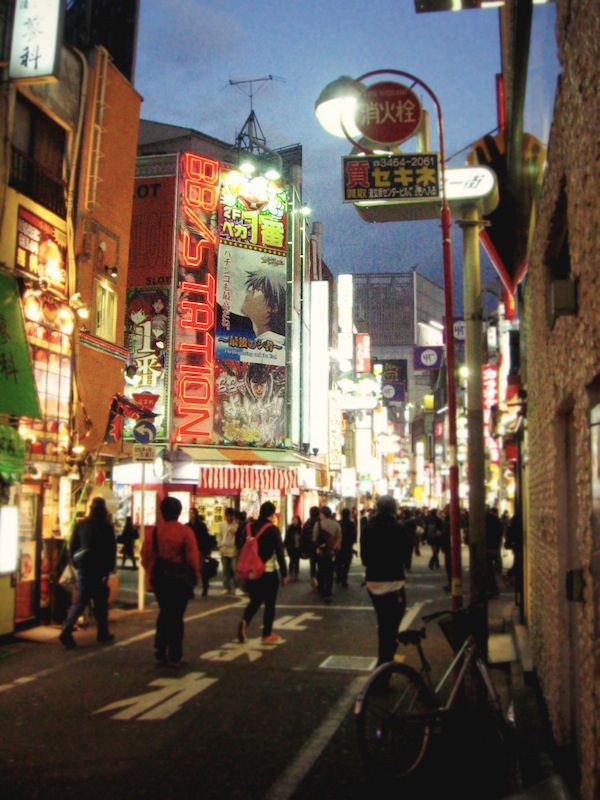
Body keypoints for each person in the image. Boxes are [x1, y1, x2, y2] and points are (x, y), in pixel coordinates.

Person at [141, 496, 200, 666]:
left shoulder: (153, 532)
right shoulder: (185, 532)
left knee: (165, 611)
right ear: (179, 512)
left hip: (161, 579)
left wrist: (150, 575)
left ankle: (160, 647)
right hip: (179, 579)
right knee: (176, 616)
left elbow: (145, 556)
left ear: (161, 512)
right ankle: (175, 654)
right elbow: (192, 558)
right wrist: (195, 577)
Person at [59, 497, 117, 649]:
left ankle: (67, 629)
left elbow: (72, 546)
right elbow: (111, 549)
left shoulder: (81, 525)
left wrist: (76, 563)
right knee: (100, 602)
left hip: (84, 567)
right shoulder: (106, 527)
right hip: (100, 569)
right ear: (103, 510)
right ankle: (102, 632)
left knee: (80, 601)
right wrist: (110, 568)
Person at [360, 495, 411, 666]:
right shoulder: (399, 528)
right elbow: (405, 556)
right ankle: (384, 663)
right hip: (393, 581)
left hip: (373, 580)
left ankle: (384, 660)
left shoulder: (367, 528)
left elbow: (365, 558)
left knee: (384, 621)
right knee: (391, 624)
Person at [237, 501, 288, 644]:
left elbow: (241, 546)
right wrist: (284, 574)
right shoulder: (273, 529)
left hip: (251, 572)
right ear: (272, 514)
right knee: (270, 604)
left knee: (255, 600)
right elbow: (279, 553)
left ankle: (245, 622)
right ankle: (266, 634)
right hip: (268, 571)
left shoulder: (248, 527)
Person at [313, 506, 341, 602]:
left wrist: (319, 548)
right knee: (330, 571)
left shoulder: (318, 524)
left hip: (321, 551)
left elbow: (314, 538)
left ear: (323, 514)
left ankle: (321, 589)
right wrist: (334, 549)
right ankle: (328, 590)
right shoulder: (336, 524)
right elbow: (339, 538)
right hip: (331, 552)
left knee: (321, 570)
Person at [188, 507, 216, 597]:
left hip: (200, 550)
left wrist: (207, 552)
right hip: (190, 551)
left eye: (192, 513)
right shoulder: (187, 526)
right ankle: (190, 589)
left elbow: (206, 539)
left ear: (196, 514)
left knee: (202, 570)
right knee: (190, 570)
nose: (191, 515)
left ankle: (205, 587)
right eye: (190, 513)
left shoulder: (201, 526)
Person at [218, 507, 242, 596]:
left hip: (233, 550)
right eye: (227, 516)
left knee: (235, 569)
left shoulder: (236, 525)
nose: (229, 518)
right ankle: (226, 587)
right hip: (224, 549)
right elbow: (219, 535)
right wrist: (220, 545)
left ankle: (237, 587)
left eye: (230, 516)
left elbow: (238, 536)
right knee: (225, 570)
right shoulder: (222, 524)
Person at [336, 508, 357, 587]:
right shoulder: (351, 524)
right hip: (348, 546)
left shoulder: (338, 523)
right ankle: (344, 579)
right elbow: (354, 536)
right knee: (346, 563)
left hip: (339, 545)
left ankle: (338, 577)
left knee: (338, 562)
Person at [302, 506, 320, 588]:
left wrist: (303, 549)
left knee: (312, 564)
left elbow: (303, 536)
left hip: (310, 547)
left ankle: (313, 578)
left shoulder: (307, 523)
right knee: (321, 564)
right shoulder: (321, 522)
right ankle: (320, 579)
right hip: (320, 546)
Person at [284, 515, 303, 581]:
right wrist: (285, 546)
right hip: (291, 547)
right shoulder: (289, 528)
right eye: (293, 520)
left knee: (297, 561)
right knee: (292, 560)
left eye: (296, 520)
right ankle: (291, 573)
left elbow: (303, 538)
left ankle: (296, 574)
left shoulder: (300, 528)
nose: (294, 521)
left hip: (298, 547)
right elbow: (287, 538)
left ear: (298, 521)